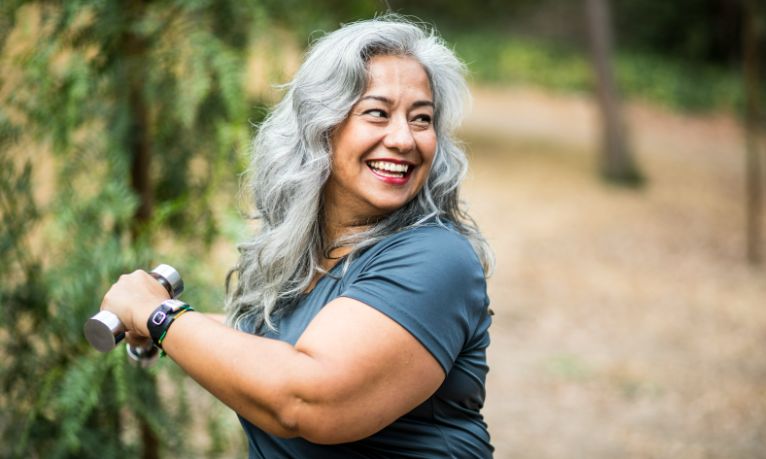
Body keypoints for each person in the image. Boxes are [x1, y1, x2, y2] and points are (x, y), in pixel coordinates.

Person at [100, 15, 495, 458]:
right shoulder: (314, 254)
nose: (404, 139)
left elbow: (306, 399)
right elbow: (274, 342)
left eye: (421, 119)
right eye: (377, 113)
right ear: (319, 126)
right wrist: (159, 324)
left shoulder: (436, 257)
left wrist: (157, 315)